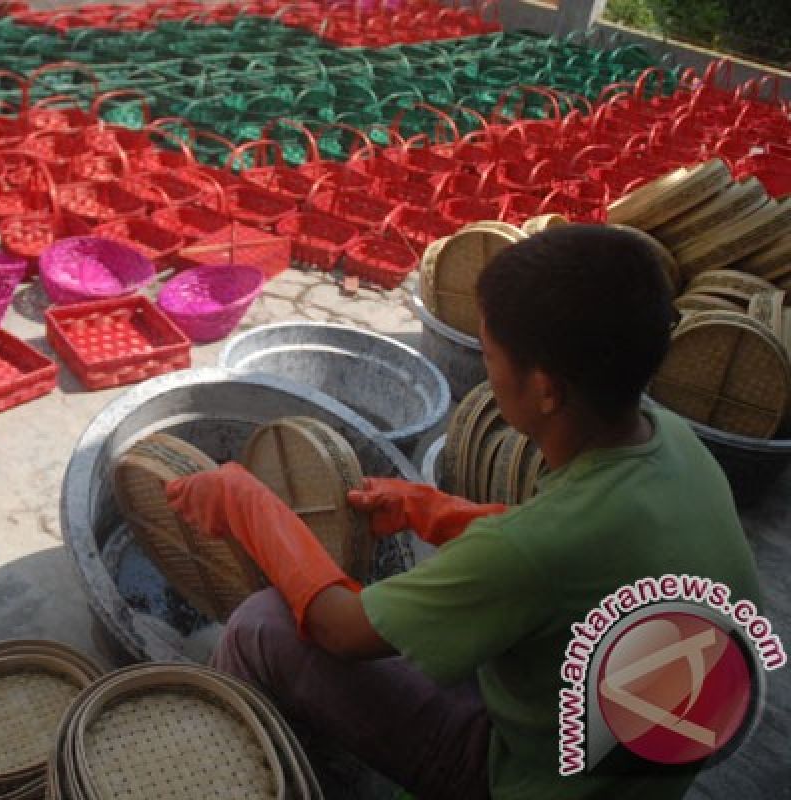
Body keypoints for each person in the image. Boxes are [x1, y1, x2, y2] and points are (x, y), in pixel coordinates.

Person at [164, 225, 762, 799]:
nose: (487, 371)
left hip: (532, 780)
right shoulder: (676, 442)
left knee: (263, 624)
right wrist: (436, 511)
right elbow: (583, 553)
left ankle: (226, 767)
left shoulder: (534, 550)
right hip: (638, 753)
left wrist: (251, 507)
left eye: (492, 353)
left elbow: (338, 629)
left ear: (547, 388)